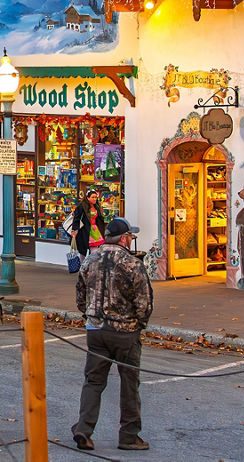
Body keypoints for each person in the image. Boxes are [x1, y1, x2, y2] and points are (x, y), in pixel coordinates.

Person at [72, 217, 153, 452]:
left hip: (96, 329)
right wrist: (140, 323)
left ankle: (83, 430)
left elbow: (80, 297)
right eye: (130, 236)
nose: (131, 240)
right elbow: (144, 301)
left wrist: (90, 316)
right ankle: (128, 435)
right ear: (124, 238)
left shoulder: (90, 260)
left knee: (93, 381)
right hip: (124, 330)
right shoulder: (131, 263)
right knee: (129, 383)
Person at [69, 189, 106, 264]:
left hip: (95, 231)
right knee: (83, 252)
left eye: (96, 197)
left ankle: (90, 267)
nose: (95, 199)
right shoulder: (82, 207)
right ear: (88, 198)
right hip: (84, 231)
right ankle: (83, 267)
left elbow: (100, 219)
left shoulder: (97, 207)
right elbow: (76, 218)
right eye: (93, 197)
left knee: (94, 251)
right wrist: (74, 230)